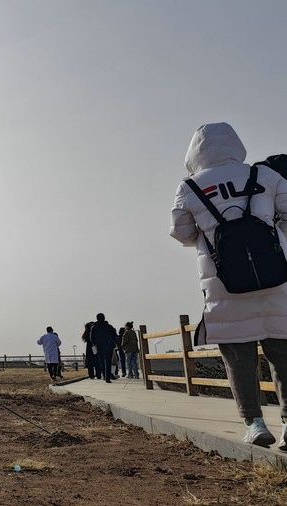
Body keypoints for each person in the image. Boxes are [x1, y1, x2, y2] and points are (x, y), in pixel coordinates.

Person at [170, 122, 287, 449]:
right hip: (276, 280)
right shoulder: (264, 175)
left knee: (238, 356)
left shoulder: (189, 187)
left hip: (224, 285)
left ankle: (255, 423)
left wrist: (208, 236)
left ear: (195, 154)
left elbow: (181, 232)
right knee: (282, 352)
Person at [90, 313, 118, 383]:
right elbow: (114, 335)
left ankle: (104, 375)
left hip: (99, 345)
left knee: (101, 361)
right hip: (109, 345)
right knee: (108, 361)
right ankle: (107, 377)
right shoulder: (109, 326)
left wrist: (94, 344)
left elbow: (92, 337)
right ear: (104, 318)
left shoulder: (94, 327)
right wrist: (114, 343)